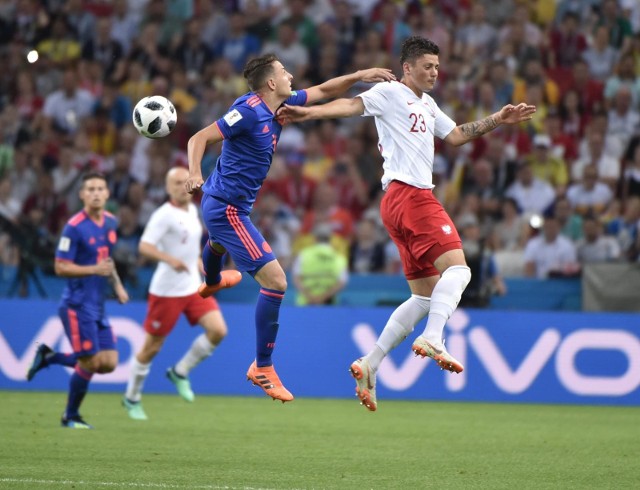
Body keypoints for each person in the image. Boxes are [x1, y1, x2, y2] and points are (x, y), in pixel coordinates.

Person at [280, 36, 536, 411]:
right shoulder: (389, 92)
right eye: (427, 66)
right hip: (413, 196)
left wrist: (499, 118)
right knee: (461, 272)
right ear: (408, 68)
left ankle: (371, 362)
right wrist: (307, 114)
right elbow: (351, 106)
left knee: (424, 295)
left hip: (396, 203)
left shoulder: (428, 104)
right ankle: (434, 336)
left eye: (436, 66)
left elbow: (457, 136)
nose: (434, 72)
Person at [185, 53, 395, 402]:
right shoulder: (249, 111)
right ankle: (262, 366)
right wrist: (194, 172)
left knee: (219, 245)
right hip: (226, 209)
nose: (292, 76)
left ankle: (210, 280)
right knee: (277, 282)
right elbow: (198, 138)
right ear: (270, 83)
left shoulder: (280, 105)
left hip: (229, 208)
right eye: (284, 72)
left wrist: (361, 73)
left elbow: (326, 89)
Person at [122, 167, 229, 420]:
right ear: (168, 187)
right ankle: (132, 397)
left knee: (218, 330)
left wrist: (200, 267)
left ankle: (180, 372)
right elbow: (144, 246)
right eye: (177, 183)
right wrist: (170, 260)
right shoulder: (163, 215)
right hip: (167, 290)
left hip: (192, 286)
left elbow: (190, 249)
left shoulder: (193, 210)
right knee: (152, 347)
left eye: (186, 181)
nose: (183, 186)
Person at [26, 172, 129, 428]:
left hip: (98, 305)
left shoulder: (110, 223)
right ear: (82, 194)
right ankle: (70, 416)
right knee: (90, 361)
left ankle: (50, 358)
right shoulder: (73, 227)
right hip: (76, 304)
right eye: (90, 189)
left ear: (107, 193)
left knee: (108, 363)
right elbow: (60, 267)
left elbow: (106, 260)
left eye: (100, 188)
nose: (95, 193)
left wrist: (116, 284)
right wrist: (94, 270)